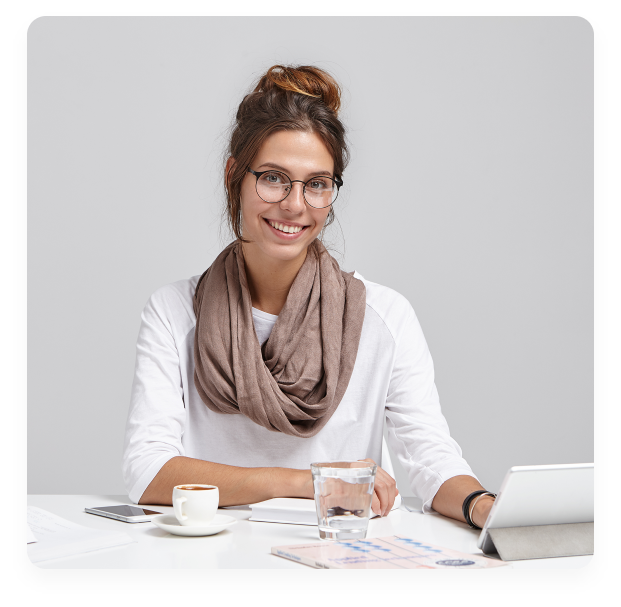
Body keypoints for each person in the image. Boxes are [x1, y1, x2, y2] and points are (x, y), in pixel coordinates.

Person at [122, 64, 496, 528]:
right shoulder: (175, 312)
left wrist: (484, 506)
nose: (295, 205)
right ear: (233, 176)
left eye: (317, 184)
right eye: (274, 177)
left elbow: (431, 459)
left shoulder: (385, 316)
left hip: (338, 552)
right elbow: (148, 472)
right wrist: (307, 480)